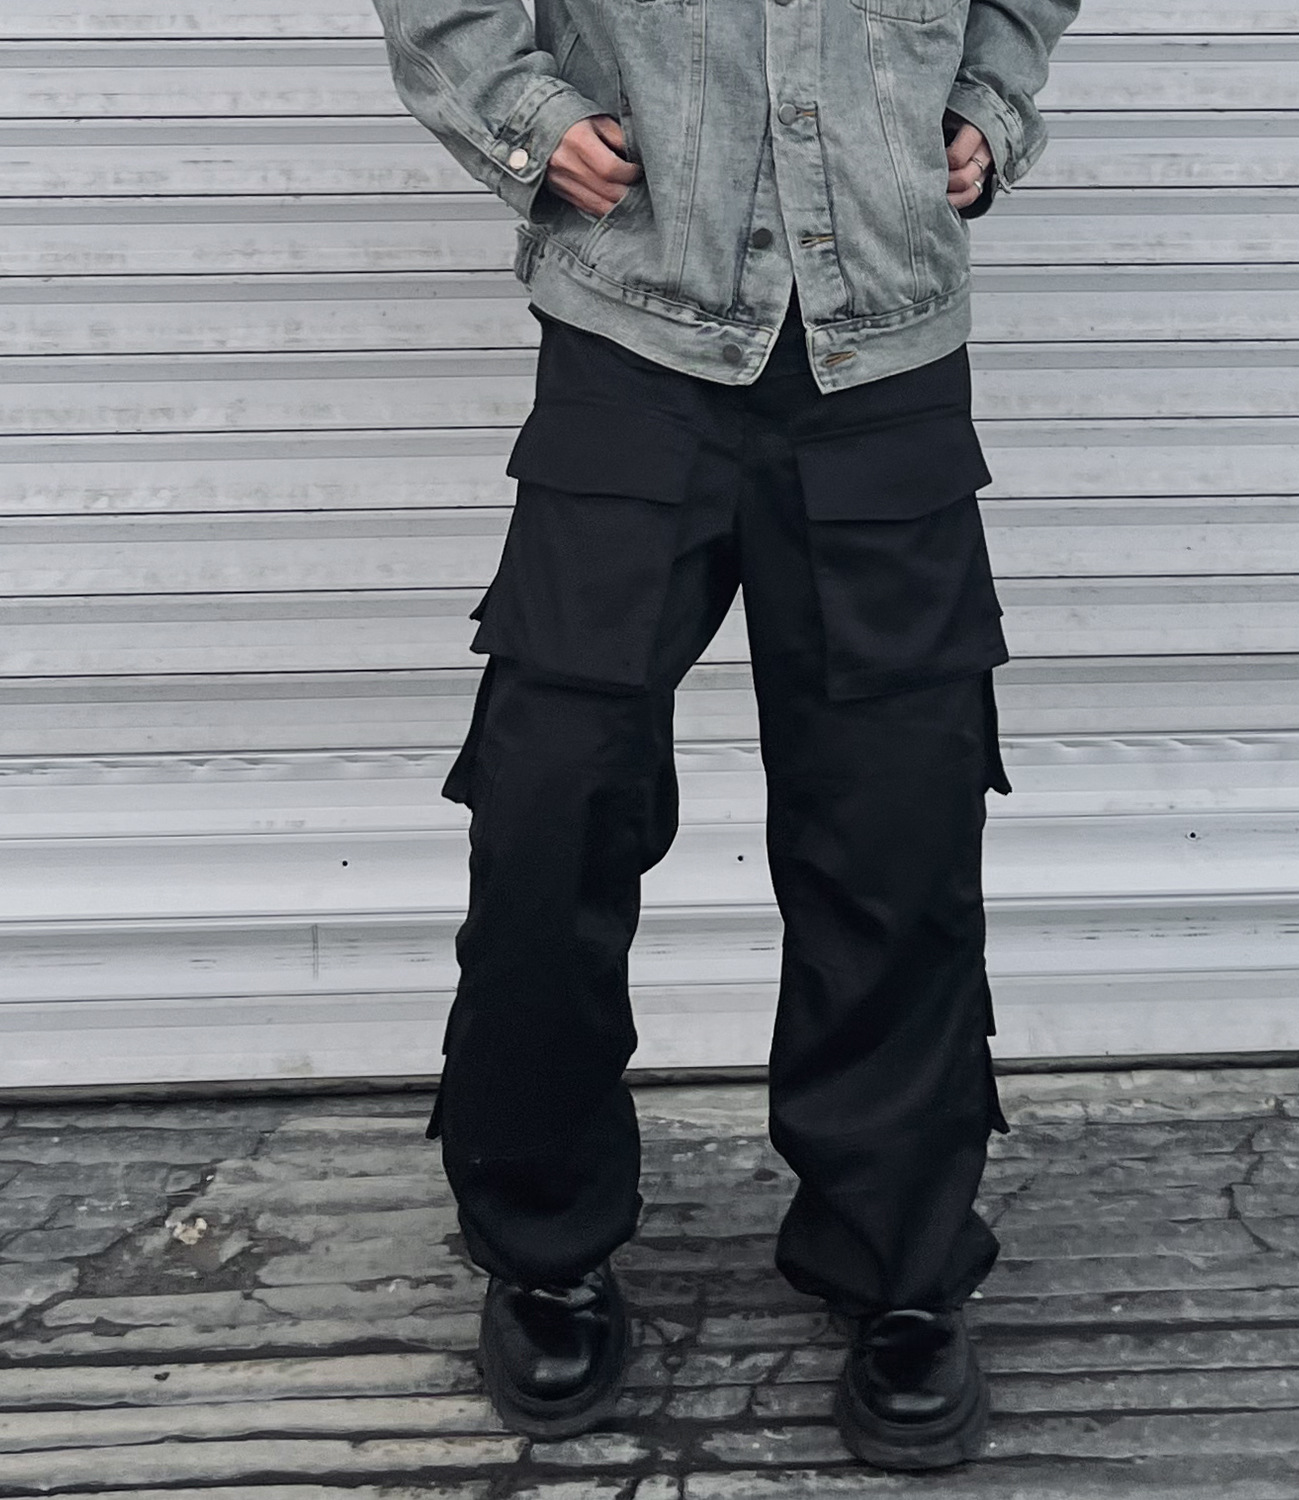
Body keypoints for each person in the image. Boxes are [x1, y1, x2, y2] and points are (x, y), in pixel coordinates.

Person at [372, 0, 1079, 1470]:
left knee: (898, 819)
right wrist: (526, 113)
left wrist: (991, 104)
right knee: (554, 797)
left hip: (884, 348)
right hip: (632, 332)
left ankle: (896, 1261)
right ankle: (541, 1239)